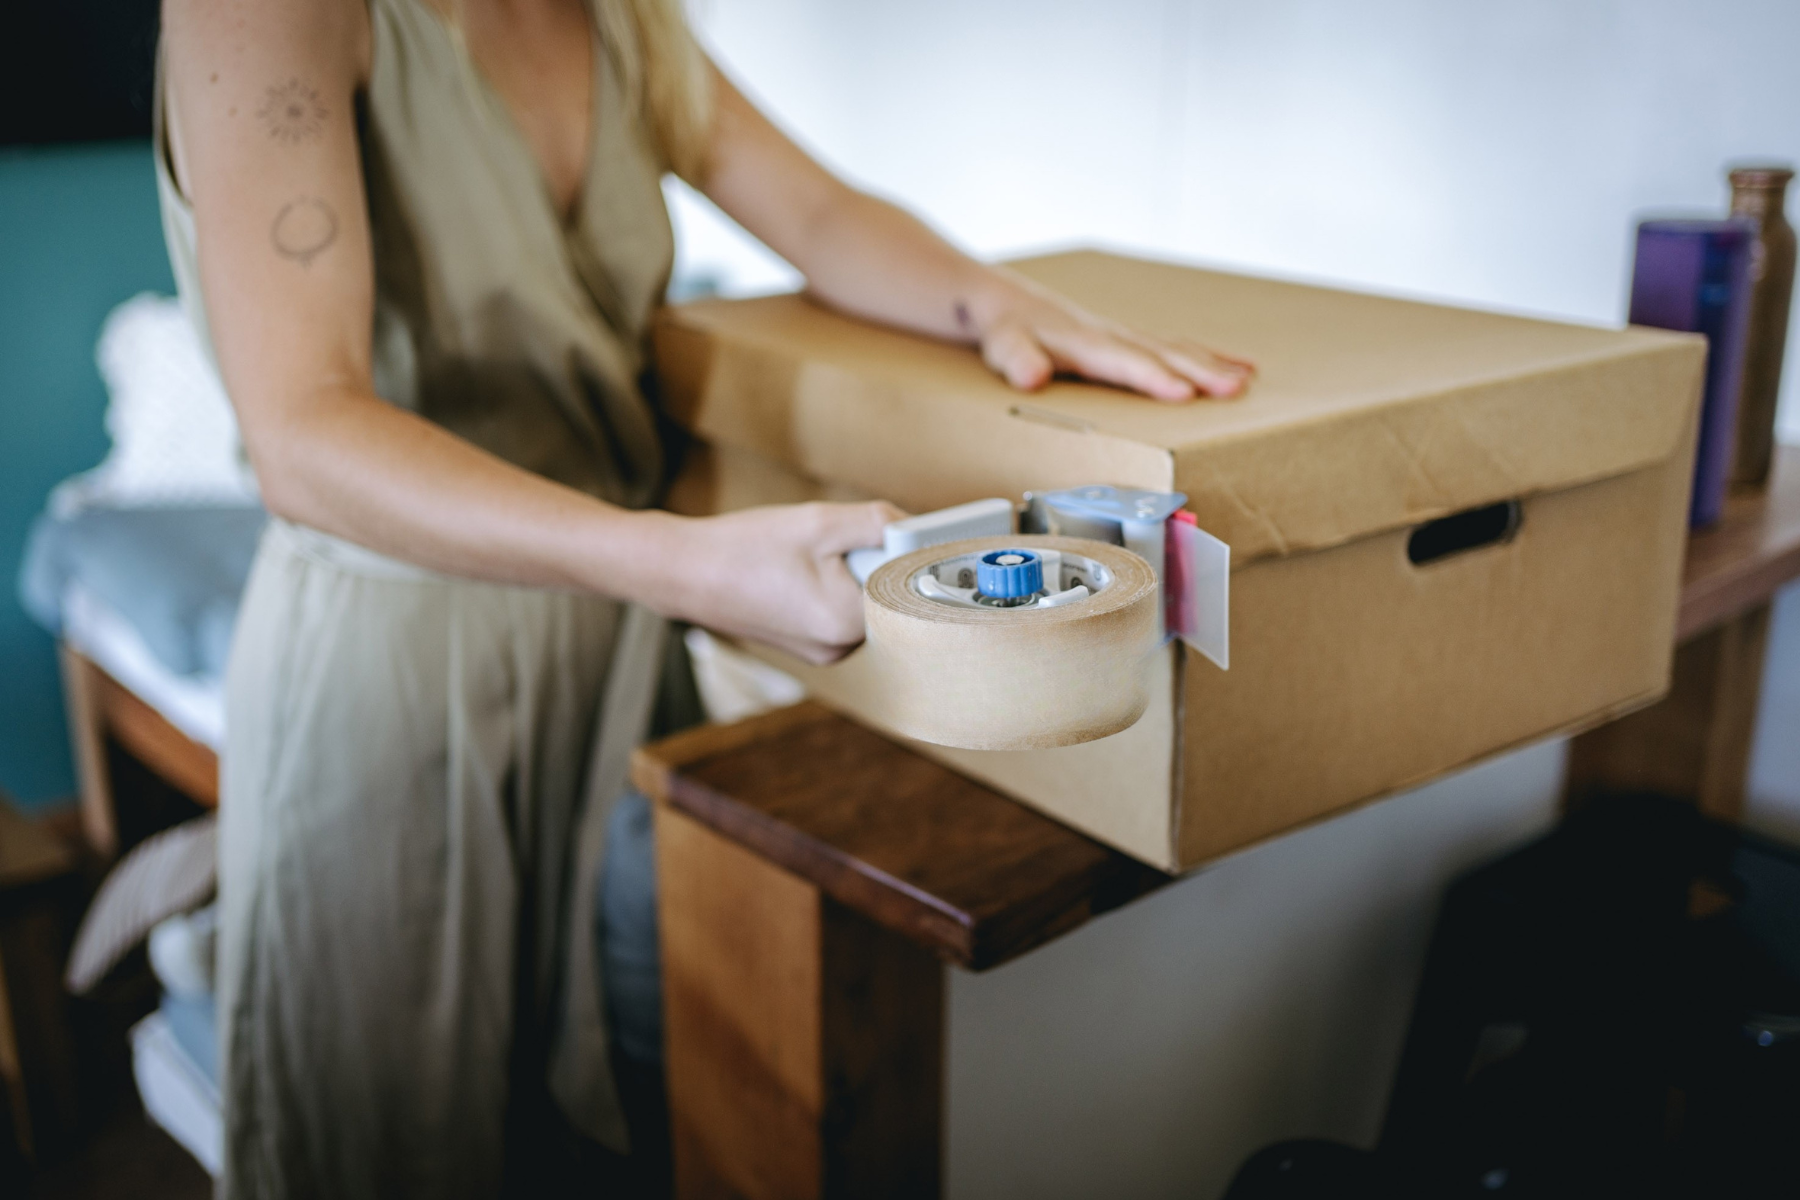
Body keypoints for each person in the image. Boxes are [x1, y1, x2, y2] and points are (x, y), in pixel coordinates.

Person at [157, 0, 1252, 1194]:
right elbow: (304, 435)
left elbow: (820, 214)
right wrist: (679, 562)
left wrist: (994, 302)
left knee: (631, 1118)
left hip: (621, 650)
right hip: (405, 666)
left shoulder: (626, 22)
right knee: (401, 1142)